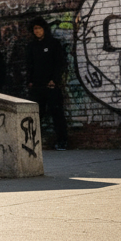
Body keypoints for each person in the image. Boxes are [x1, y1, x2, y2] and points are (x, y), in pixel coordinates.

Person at [25, 18, 68, 150]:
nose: (37, 31)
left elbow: (59, 63)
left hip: (51, 85)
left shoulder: (53, 44)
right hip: (37, 86)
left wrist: (54, 80)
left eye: (39, 28)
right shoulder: (31, 46)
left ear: (44, 29)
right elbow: (29, 65)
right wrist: (30, 81)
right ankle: (33, 142)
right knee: (36, 115)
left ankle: (62, 141)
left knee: (57, 114)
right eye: (35, 29)